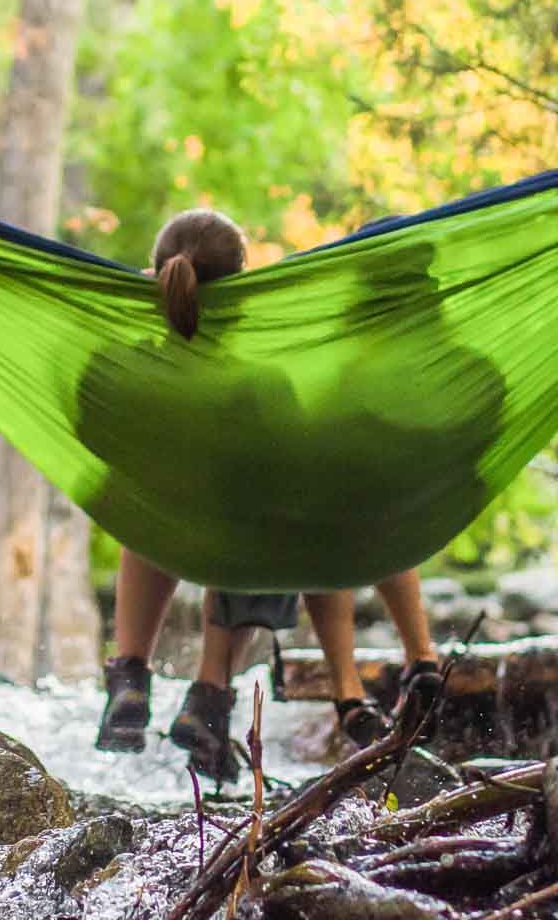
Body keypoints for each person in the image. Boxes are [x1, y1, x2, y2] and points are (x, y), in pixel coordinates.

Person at [89, 209, 445, 782]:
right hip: (246, 547)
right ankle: (275, 690)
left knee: (150, 503)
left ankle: (132, 672)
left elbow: (87, 433)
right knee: (294, 501)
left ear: (154, 275)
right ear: (243, 288)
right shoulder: (263, 382)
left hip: (164, 534)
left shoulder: (118, 365)